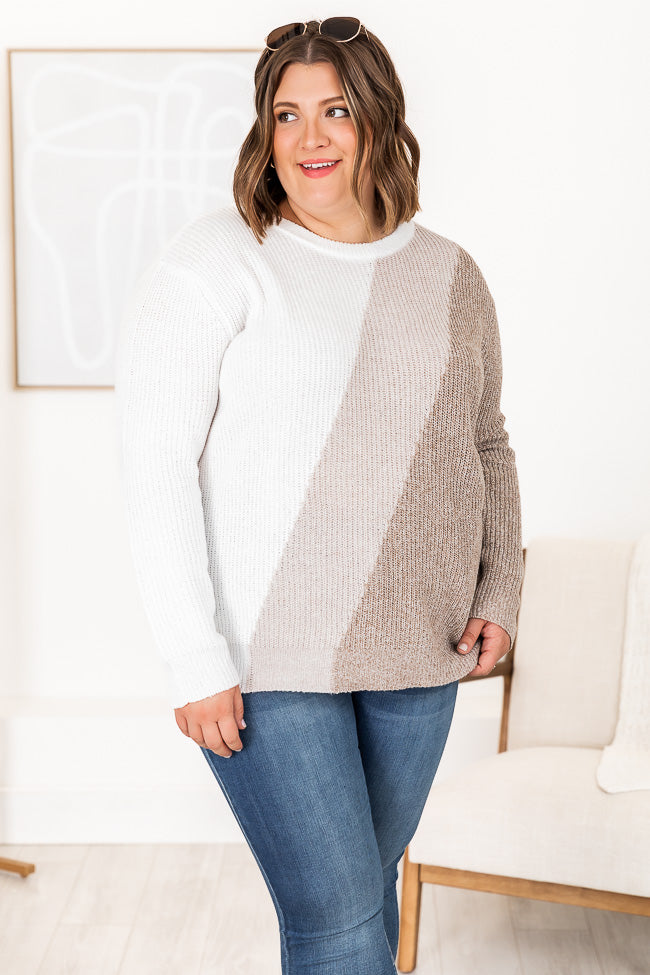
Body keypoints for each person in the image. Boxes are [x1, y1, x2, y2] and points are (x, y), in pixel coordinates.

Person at [114, 17, 524, 975]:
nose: (310, 138)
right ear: (264, 131)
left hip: (423, 648)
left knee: (363, 898)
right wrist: (192, 655)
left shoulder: (451, 274)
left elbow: (487, 442)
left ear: (379, 117)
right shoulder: (216, 260)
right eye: (287, 114)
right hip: (268, 657)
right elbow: (154, 467)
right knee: (337, 919)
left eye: (335, 110)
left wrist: (500, 588)